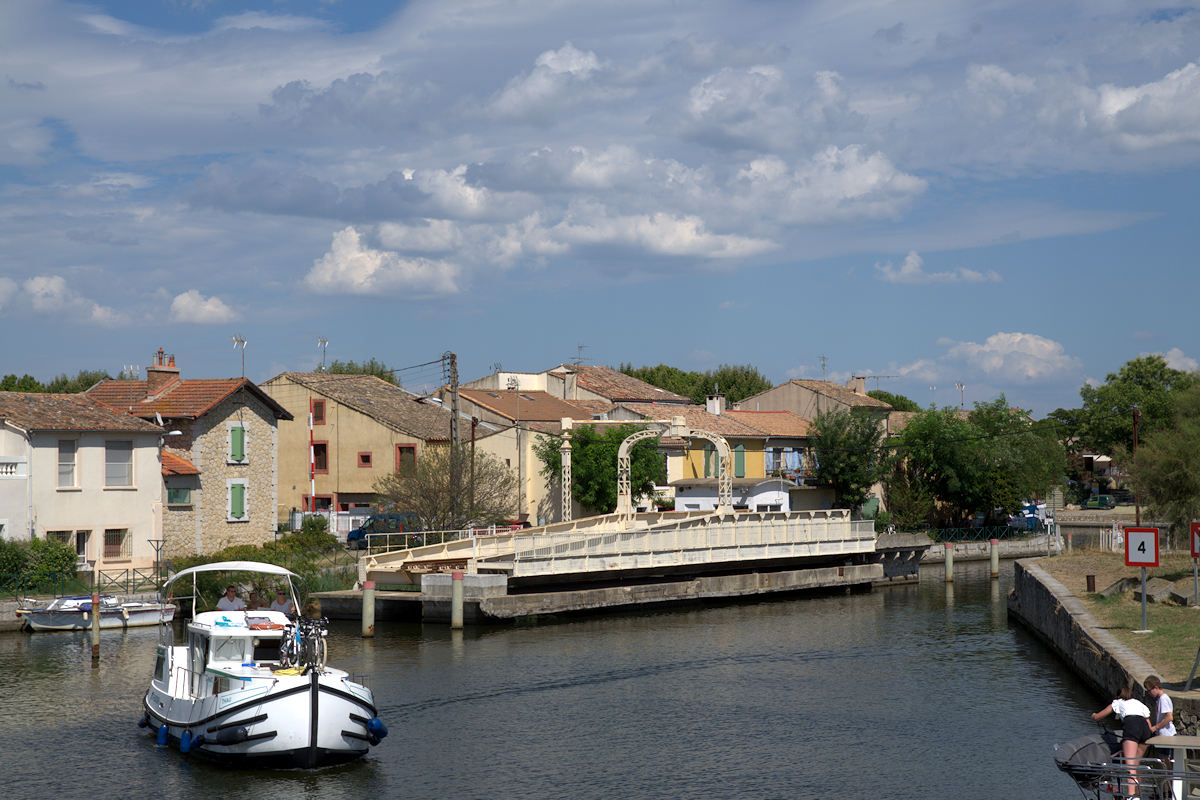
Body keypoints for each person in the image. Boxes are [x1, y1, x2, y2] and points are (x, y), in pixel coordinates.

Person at [1093, 685, 1153, 798]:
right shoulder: (1139, 703)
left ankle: (1131, 796)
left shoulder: (1118, 702)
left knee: (1129, 764)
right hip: (1145, 729)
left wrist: (1094, 716)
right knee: (1137, 763)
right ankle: (1137, 793)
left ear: (1118, 696)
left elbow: (1099, 716)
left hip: (1132, 726)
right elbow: (1149, 726)